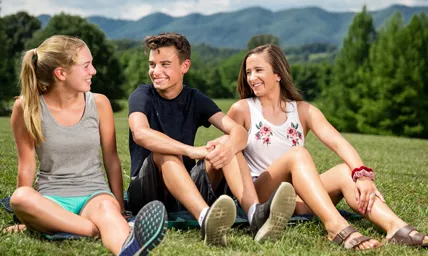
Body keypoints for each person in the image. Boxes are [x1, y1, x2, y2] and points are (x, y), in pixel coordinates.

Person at [227, 44, 428, 250]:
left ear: (278, 73)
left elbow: (339, 143)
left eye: (258, 70)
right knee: (298, 154)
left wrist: (362, 176)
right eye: (248, 72)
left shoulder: (303, 110)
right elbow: (227, 158)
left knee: (345, 172)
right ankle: (336, 227)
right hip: (259, 195)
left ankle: (396, 228)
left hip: (295, 199)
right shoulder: (242, 110)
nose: (251, 77)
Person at [126, 32, 296, 246]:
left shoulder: (195, 98)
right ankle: (206, 218)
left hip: (185, 191)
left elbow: (239, 132)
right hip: (147, 193)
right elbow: (140, 133)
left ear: (184, 66)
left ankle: (255, 215)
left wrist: (228, 147)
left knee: (227, 142)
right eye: (152, 64)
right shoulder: (142, 96)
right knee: (164, 152)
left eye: (165, 64)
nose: (156, 71)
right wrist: (191, 150)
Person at [9, 35, 167, 256]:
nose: (93, 71)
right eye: (86, 66)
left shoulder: (99, 103)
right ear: (61, 73)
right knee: (20, 198)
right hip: (51, 198)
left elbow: (111, 159)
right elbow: (26, 166)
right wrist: (24, 214)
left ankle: (128, 250)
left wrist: (119, 208)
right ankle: (95, 229)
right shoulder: (26, 107)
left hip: (94, 193)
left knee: (107, 211)